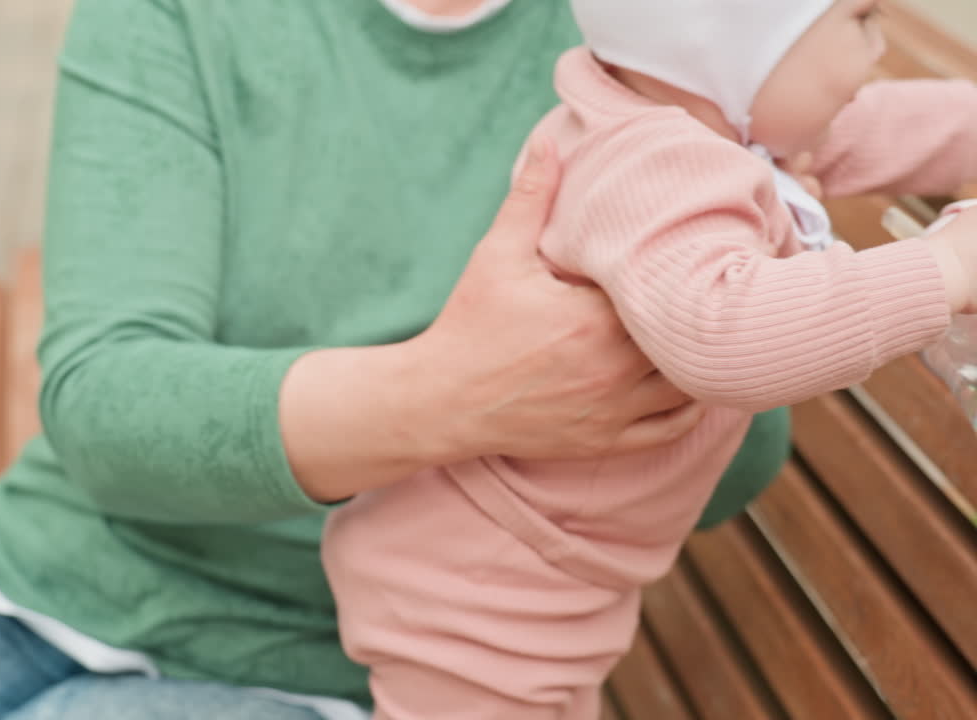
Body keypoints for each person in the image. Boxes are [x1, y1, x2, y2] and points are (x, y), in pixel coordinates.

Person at [0, 1, 794, 718]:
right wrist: (453, 394)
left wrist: (756, 248)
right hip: (62, 565)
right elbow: (105, 403)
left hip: (370, 653)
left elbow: (724, 462)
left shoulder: (660, 40)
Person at [321, 0, 977, 718]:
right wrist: (946, 266)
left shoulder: (704, 121)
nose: (878, 47)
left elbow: (891, 125)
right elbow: (728, 334)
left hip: (534, 568)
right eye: (861, 16)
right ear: (729, 44)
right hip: (486, 588)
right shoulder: (653, 168)